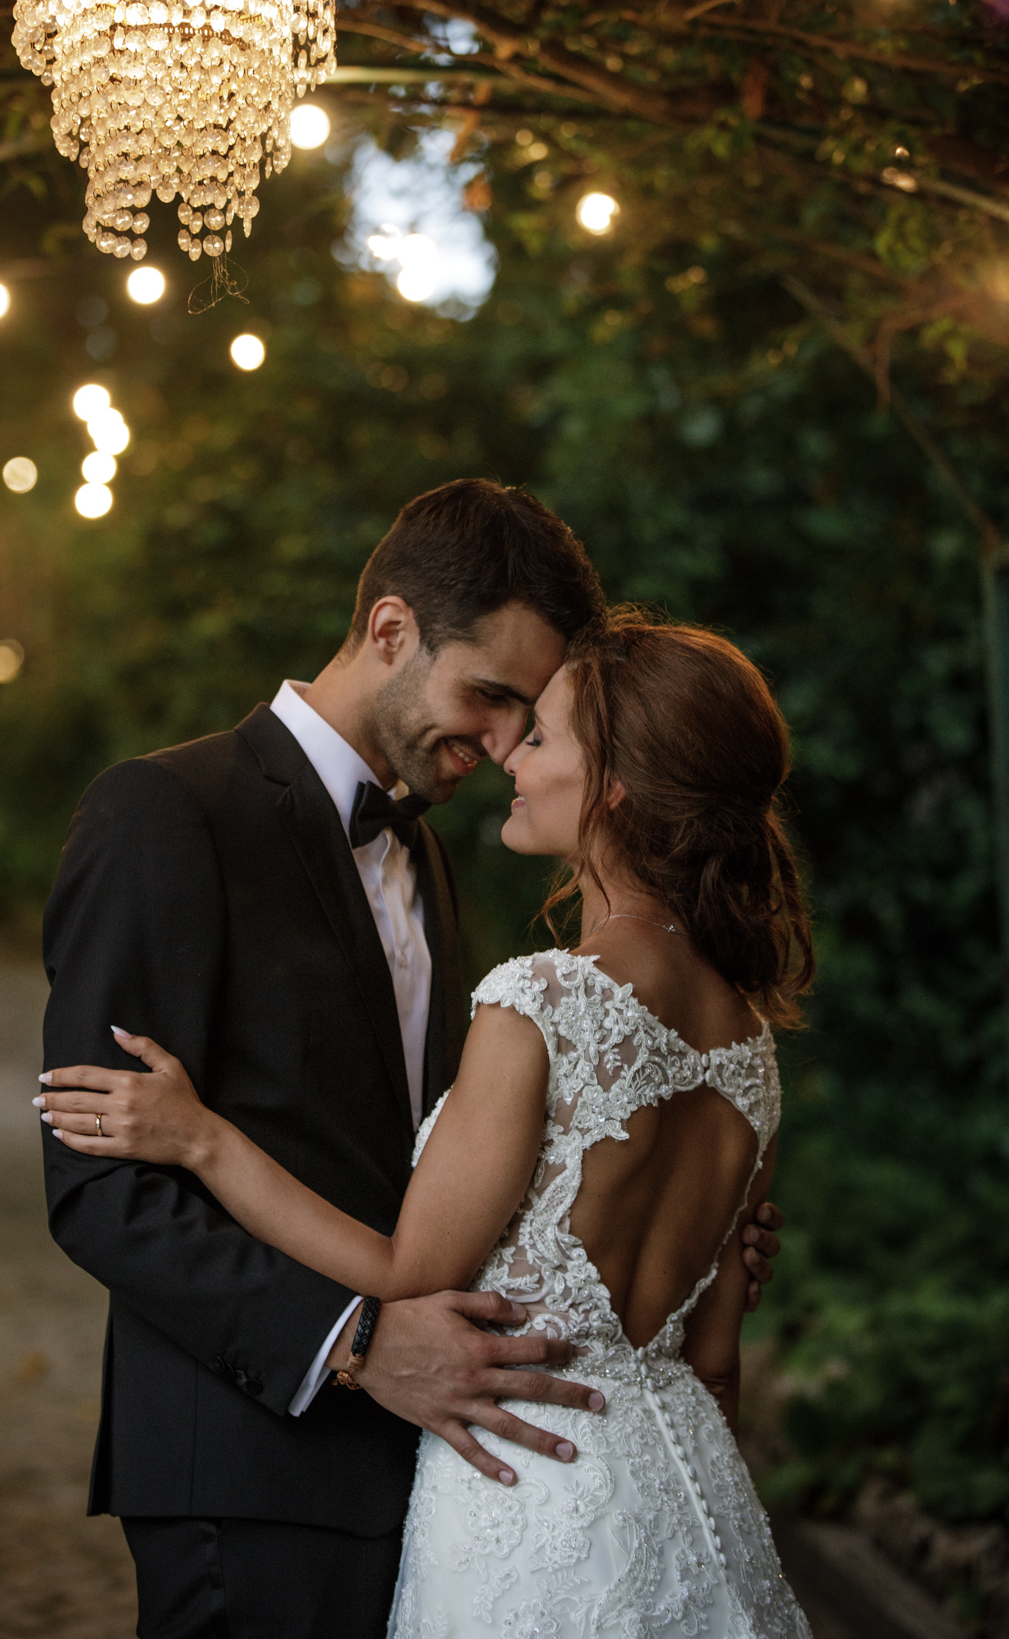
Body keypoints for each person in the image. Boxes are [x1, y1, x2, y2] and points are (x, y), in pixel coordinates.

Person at [39, 601, 808, 1636]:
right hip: (677, 1500)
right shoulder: (750, 1049)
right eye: (498, 706)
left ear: (615, 790)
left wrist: (201, 1139)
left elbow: (413, 1271)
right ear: (392, 630)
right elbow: (713, 1364)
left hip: (521, 1503)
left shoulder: (539, 997)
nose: (506, 753)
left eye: (534, 732)